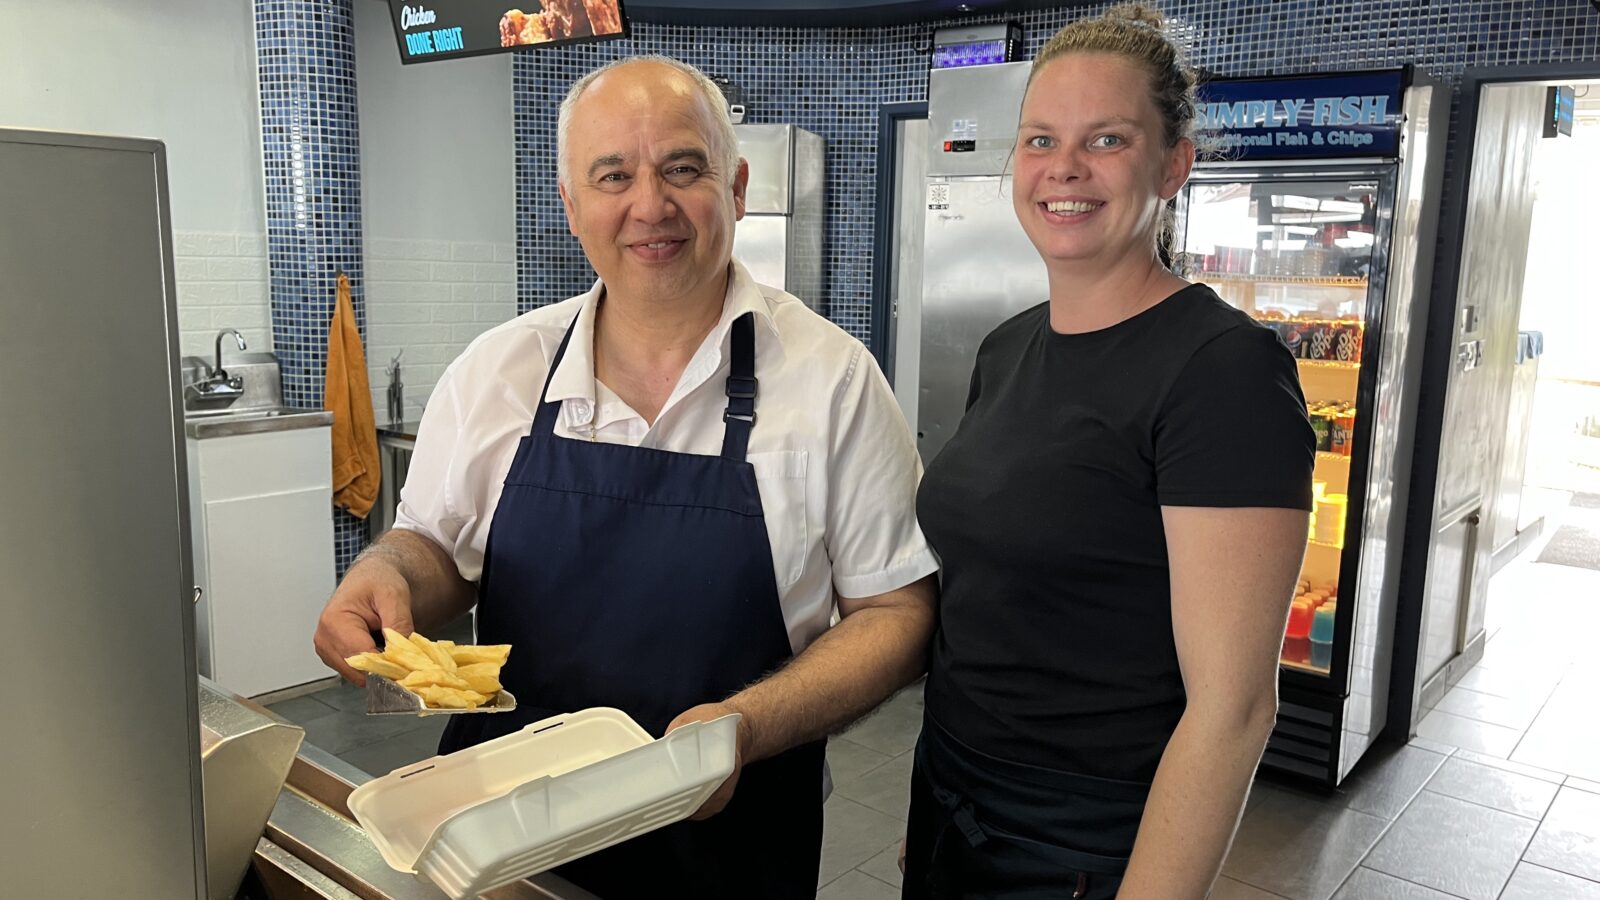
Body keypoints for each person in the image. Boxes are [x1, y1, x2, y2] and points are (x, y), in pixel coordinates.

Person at [313, 55, 939, 899]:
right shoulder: (499, 371)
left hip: (735, 837)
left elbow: (897, 613)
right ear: (572, 205)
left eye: (683, 168)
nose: (651, 205)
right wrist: (384, 574)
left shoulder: (835, 382)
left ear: (738, 185)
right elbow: (435, 548)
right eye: (615, 175)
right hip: (502, 834)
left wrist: (745, 728)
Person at [903, 7, 1315, 899]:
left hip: (1085, 834)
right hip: (953, 793)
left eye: (1108, 139)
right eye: (1041, 138)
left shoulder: (1223, 374)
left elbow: (1233, 711)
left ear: (1174, 164)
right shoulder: (1008, 347)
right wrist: (936, 811)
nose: (1065, 168)